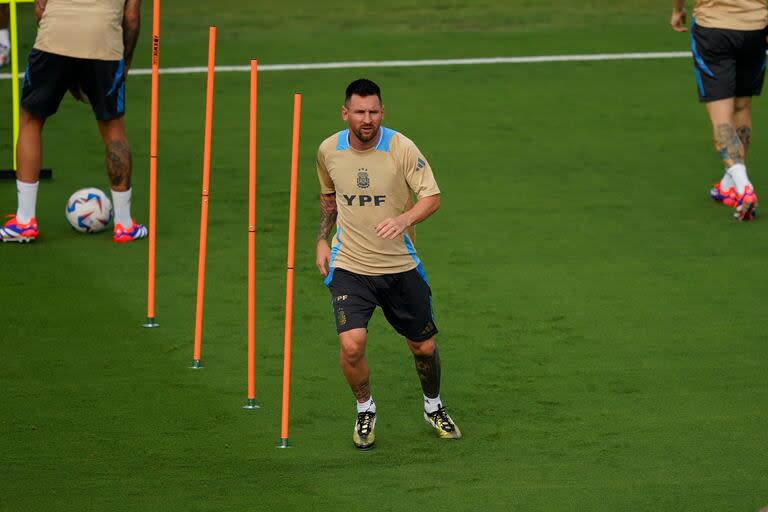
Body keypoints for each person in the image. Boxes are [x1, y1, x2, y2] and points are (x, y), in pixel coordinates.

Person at [315, 78, 461, 450]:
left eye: (374, 111)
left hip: (399, 266)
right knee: (352, 345)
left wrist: (404, 219)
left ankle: (433, 406)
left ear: (383, 112)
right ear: (345, 112)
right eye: (360, 112)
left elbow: (433, 197)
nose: (368, 119)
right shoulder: (328, 150)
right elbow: (329, 197)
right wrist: (321, 239)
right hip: (350, 265)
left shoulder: (401, 148)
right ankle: (365, 408)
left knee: (423, 348)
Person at [0, 0, 146, 243]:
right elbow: (131, 16)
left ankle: (25, 221)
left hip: (55, 36)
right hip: (104, 42)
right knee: (113, 128)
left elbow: (40, 8)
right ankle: (125, 225)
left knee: (31, 121)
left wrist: (61, 66)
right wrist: (125, 64)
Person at [671, 0, 766, 221]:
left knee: (720, 117)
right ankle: (728, 185)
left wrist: (677, 10)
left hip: (714, 29)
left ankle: (744, 188)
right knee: (742, 107)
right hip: (755, 29)